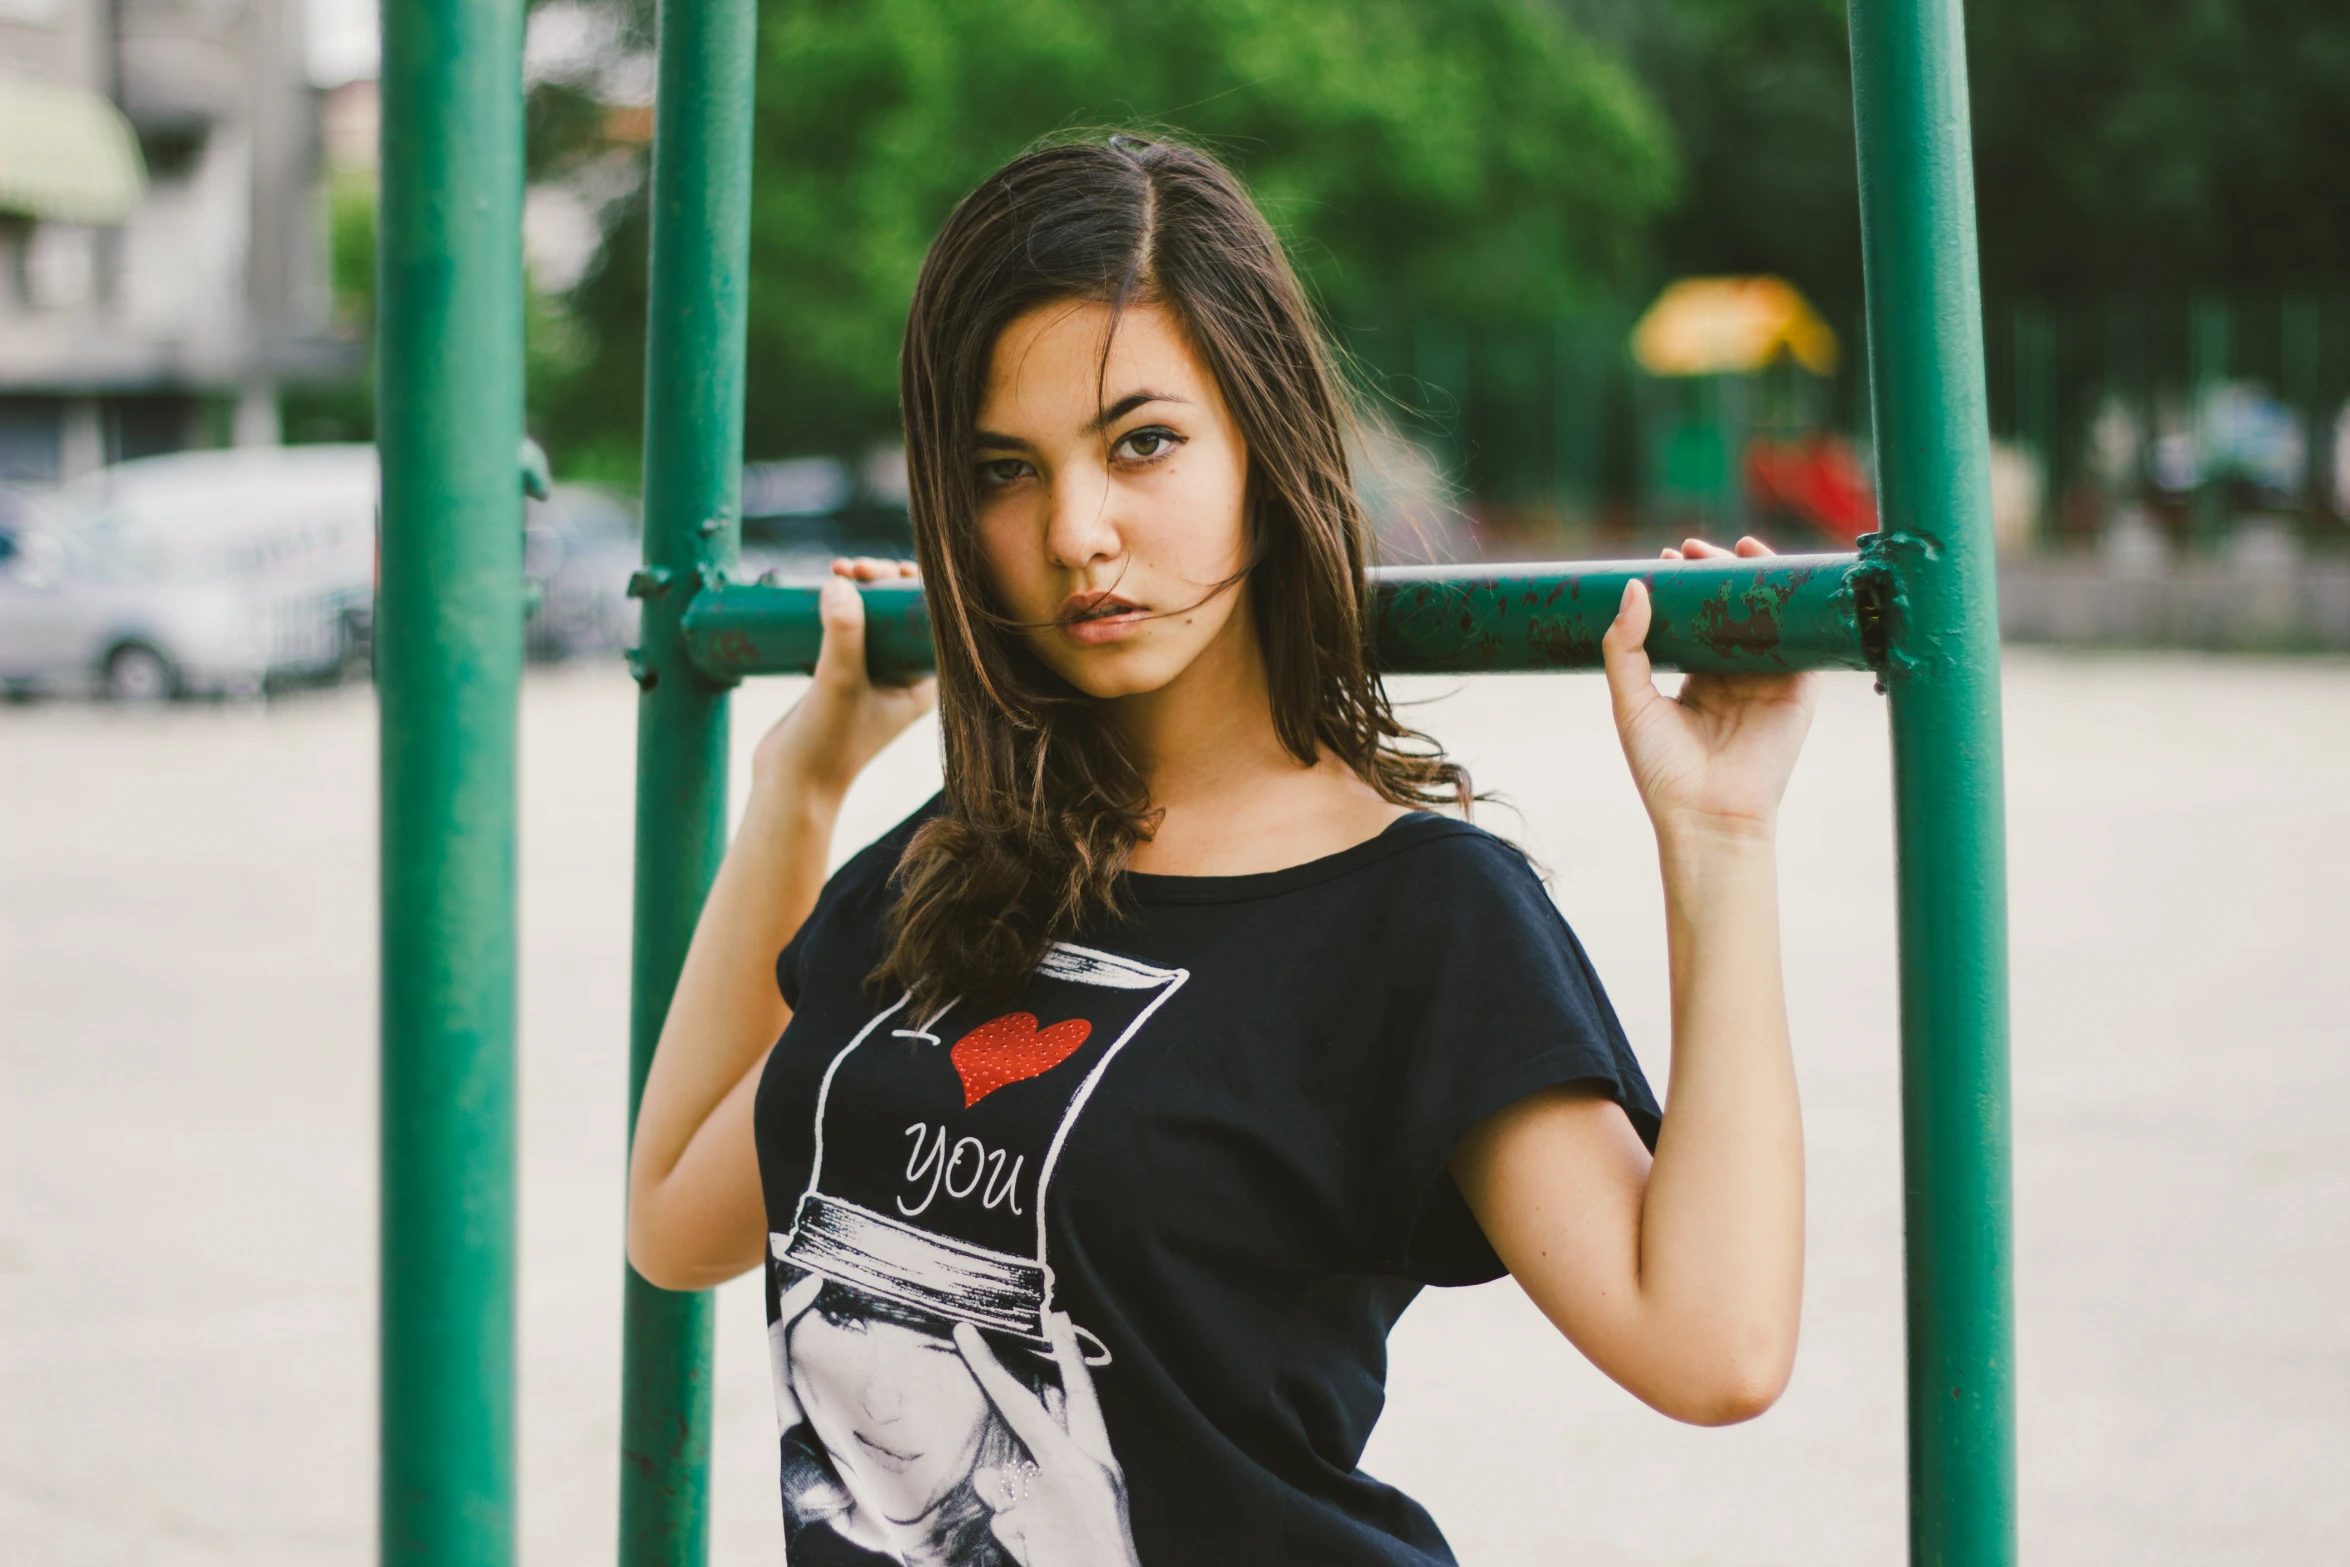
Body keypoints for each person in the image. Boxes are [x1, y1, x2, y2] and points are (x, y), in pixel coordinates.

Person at [628, 135, 1814, 1566]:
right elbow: (675, 1221)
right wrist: (798, 783)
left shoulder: (1413, 914)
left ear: (1262, 447)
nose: (1078, 533)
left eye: (1143, 443)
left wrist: (1718, 835)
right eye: (1006, 470)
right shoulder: (946, 867)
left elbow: (1712, 1347)